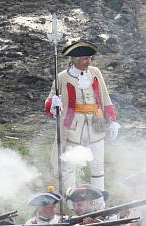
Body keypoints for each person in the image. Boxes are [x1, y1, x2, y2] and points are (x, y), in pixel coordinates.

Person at [45, 40, 120, 190]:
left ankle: (99, 203)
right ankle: (71, 203)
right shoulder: (62, 77)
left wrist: (112, 120)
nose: (88, 61)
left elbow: (105, 97)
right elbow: (49, 103)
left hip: (95, 126)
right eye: (85, 59)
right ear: (75, 60)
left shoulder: (95, 72)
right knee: (68, 168)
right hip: (72, 128)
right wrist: (54, 104)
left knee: (98, 169)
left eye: (89, 58)